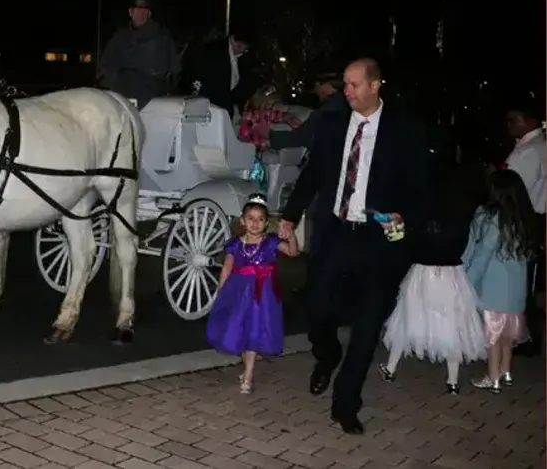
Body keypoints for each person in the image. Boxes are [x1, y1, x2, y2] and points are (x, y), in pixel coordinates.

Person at [277, 57, 429, 435]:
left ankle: (346, 402)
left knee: (368, 322)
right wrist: (288, 216)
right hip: (335, 231)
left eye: (354, 85)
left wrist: (403, 216)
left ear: (376, 85)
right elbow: (311, 174)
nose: (346, 91)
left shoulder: (404, 129)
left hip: (378, 240)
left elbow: (421, 187)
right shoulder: (332, 125)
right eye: (344, 84)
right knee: (317, 307)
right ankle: (326, 354)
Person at [376, 161, 488, 394]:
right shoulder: (464, 215)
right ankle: (453, 381)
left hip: (422, 272)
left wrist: (389, 228)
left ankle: (390, 368)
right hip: (452, 274)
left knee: (407, 319)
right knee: (452, 324)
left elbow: (401, 241)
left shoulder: (422, 213)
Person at [206, 193, 299, 394]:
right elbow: (227, 268)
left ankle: (248, 375)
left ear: (266, 223)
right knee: (238, 330)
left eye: (260, 219)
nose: (255, 223)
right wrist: (221, 292)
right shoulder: (235, 244)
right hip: (239, 292)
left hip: (262, 295)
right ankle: (246, 365)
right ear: (242, 220)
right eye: (251, 218)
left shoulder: (270, 243)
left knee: (254, 330)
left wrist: (289, 233)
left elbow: (293, 252)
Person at [462, 169, 538, 393]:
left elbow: (482, 253)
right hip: (515, 293)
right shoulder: (522, 219)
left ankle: (492, 377)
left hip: (493, 290)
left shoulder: (490, 218)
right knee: (507, 337)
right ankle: (506, 371)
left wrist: (468, 281)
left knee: (493, 337)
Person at [503, 99, 546, 356]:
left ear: (529, 121)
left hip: (526, 218)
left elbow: (517, 190)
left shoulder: (530, 150)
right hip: (532, 218)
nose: (509, 125)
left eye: (513, 119)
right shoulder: (532, 146)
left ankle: (525, 337)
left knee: (523, 280)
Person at [97, 0, 181, 110]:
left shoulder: (162, 38)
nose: (140, 15)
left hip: (152, 101)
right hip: (121, 99)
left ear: (149, 14)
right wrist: (115, 82)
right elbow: (103, 69)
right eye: (137, 11)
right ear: (130, 12)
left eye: (144, 12)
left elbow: (174, 72)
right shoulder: (119, 37)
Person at [269, 72, 350, 151]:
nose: (316, 90)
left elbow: (301, 137)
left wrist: (270, 136)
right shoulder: (344, 104)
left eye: (316, 85)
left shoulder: (329, 109)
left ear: (325, 85)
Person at [180, 27, 252, 116]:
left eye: (245, 49)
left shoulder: (243, 59)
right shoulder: (214, 52)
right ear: (232, 39)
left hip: (225, 106)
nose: (240, 51)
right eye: (239, 46)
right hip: (210, 105)